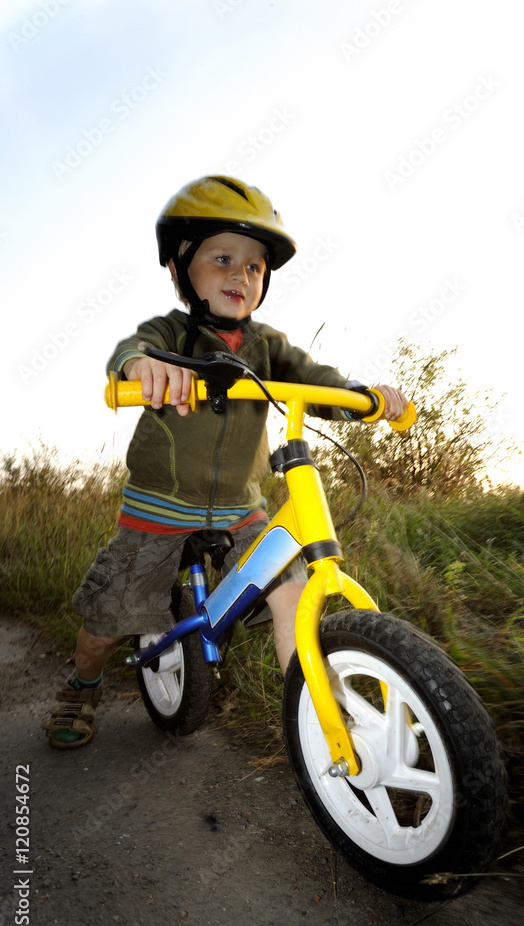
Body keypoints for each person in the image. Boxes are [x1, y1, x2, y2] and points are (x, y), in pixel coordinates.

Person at [42, 175, 408, 748]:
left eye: (256, 267)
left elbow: (315, 380)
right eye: (223, 259)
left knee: (290, 588)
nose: (242, 275)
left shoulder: (269, 346)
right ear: (180, 268)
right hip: (161, 505)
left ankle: (312, 718)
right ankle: (81, 684)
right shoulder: (173, 334)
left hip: (241, 507)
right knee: (111, 616)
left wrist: (363, 395)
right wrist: (145, 369)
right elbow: (128, 354)